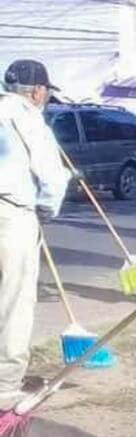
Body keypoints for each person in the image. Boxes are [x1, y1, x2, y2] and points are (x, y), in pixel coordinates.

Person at [0, 60, 70, 402]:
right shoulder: (28, 118)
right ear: (37, 91)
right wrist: (44, 210)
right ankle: (4, 388)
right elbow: (53, 178)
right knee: (13, 301)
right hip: (11, 215)